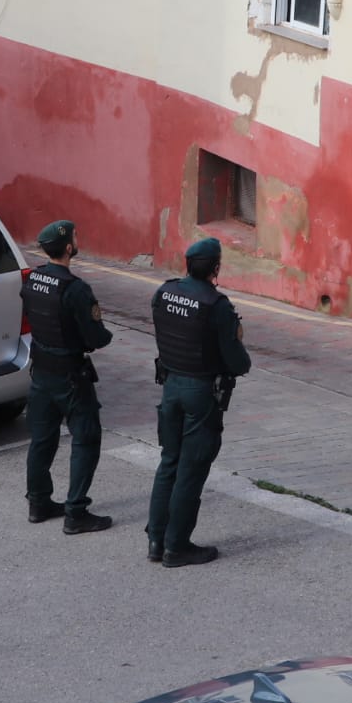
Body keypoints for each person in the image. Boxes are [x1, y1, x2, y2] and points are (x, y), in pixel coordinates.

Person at [146, 237, 251, 568]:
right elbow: (238, 363)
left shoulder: (164, 291)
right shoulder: (216, 306)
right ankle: (177, 547)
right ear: (216, 267)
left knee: (169, 464)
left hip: (171, 386)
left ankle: (156, 539)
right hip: (200, 393)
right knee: (191, 471)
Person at [21, 220, 114, 535]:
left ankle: (38, 503)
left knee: (42, 440)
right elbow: (95, 337)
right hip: (70, 376)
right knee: (86, 437)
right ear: (70, 248)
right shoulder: (75, 289)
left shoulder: (33, 279)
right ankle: (76, 512)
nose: (78, 238)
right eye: (76, 235)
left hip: (41, 371)